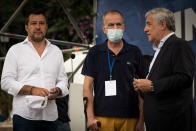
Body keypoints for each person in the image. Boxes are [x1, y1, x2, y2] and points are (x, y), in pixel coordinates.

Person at [1, 10, 69, 131]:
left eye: (41, 23)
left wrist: (58, 90)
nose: (38, 27)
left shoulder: (56, 51)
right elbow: (6, 82)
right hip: (24, 117)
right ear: (27, 27)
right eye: (34, 23)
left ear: (46, 27)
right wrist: (32, 90)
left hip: (51, 116)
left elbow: (63, 80)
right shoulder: (15, 50)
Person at [82, 10, 146, 131]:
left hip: (130, 117)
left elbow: (143, 90)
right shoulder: (94, 52)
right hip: (101, 117)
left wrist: (141, 121)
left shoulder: (134, 52)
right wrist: (90, 118)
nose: (115, 28)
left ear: (124, 27)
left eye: (118, 24)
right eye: (111, 25)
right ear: (104, 29)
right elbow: (87, 86)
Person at [133, 8, 195, 131]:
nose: (145, 29)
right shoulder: (160, 50)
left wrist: (152, 85)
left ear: (162, 25)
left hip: (173, 124)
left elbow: (184, 77)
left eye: (149, 24)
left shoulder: (178, 44)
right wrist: (142, 87)